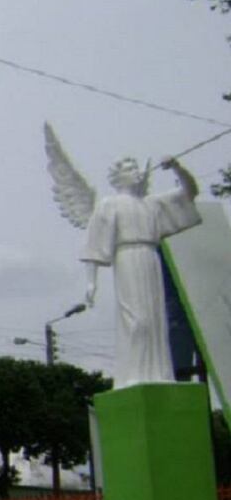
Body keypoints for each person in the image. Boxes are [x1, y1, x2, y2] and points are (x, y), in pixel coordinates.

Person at [81, 156, 200, 388]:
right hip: (127, 258)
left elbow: (190, 191)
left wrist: (178, 167)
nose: (135, 171)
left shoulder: (151, 204)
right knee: (137, 319)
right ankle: (131, 374)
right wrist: (91, 282)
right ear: (118, 177)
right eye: (129, 168)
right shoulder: (110, 204)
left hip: (150, 258)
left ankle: (158, 373)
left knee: (156, 320)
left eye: (136, 167)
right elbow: (94, 244)